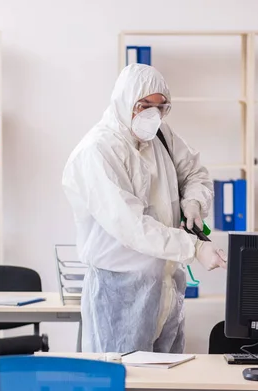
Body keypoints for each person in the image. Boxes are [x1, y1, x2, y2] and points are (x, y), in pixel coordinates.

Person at [61, 63, 227, 356]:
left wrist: (194, 202)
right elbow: (131, 225)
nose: (153, 114)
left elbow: (195, 174)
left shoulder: (162, 136)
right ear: (124, 101)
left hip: (166, 285)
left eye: (161, 106)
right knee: (121, 386)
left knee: (167, 385)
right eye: (144, 105)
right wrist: (195, 248)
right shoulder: (97, 152)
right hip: (120, 292)